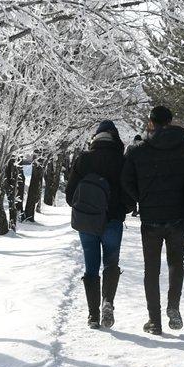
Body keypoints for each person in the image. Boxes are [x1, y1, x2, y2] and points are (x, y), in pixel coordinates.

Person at [121, 105, 184, 335]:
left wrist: (141, 198)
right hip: (177, 216)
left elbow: (125, 180)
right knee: (176, 263)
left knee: (151, 269)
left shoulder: (138, 150)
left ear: (151, 122)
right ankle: (174, 307)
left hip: (150, 218)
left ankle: (154, 321)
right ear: (170, 121)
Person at [65, 120, 129, 329]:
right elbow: (128, 193)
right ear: (115, 138)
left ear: (96, 137)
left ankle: (93, 316)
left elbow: (70, 195)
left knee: (91, 267)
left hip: (87, 222)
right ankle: (108, 302)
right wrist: (122, 209)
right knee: (111, 263)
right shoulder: (121, 161)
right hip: (113, 220)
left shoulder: (83, 159)